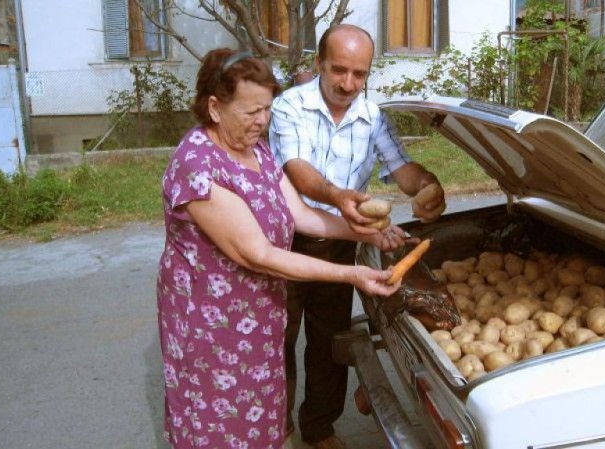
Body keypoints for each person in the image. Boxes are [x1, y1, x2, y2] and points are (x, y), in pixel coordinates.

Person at [156, 48, 412, 449]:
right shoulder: (198, 165)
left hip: (256, 317)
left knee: (258, 415)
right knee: (219, 421)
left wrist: (365, 235)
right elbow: (258, 254)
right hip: (213, 327)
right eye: (250, 111)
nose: (261, 121)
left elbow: (299, 215)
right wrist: (353, 274)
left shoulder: (254, 149)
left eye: (266, 109)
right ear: (215, 106)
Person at [269, 24, 446, 449]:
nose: (348, 83)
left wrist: (428, 184)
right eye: (339, 70)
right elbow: (296, 170)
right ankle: (278, 431)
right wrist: (336, 195)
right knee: (277, 342)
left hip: (339, 244)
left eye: (359, 74)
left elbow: (402, 170)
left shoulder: (372, 117)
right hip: (284, 242)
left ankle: (318, 430)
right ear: (319, 64)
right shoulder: (288, 106)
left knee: (330, 341)